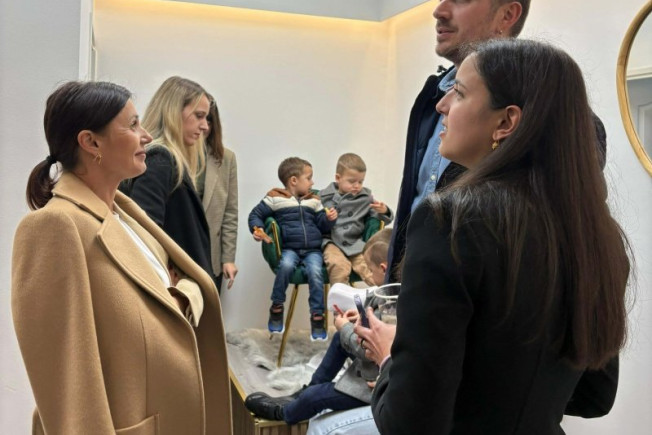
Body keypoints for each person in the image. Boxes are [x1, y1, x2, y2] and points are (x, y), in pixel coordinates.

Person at [355, 39, 630, 434]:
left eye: (459, 93)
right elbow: (594, 397)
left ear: (506, 122)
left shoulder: (448, 221)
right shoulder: (597, 236)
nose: (442, 106)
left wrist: (389, 358)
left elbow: (408, 424)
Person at [12, 81, 232, 434]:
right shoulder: (55, 227)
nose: (146, 136)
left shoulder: (126, 214)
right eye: (132, 125)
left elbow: (170, 290)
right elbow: (66, 380)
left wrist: (181, 296)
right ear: (91, 142)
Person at [243, 230, 392, 429]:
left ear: (383, 268)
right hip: (371, 369)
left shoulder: (394, 307)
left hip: (372, 388)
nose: (370, 276)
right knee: (339, 339)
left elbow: (368, 350)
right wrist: (359, 318)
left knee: (316, 396)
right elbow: (372, 320)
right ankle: (306, 391)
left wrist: (345, 328)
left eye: (371, 271)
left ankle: (285, 413)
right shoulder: (384, 294)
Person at [120, 76, 216, 287]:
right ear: (173, 112)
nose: (205, 126)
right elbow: (144, 231)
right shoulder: (159, 159)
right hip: (170, 290)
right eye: (199, 116)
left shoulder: (166, 159)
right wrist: (167, 282)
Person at [248, 157, 337, 340]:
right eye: (309, 178)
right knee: (286, 266)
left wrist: (329, 219)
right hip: (290, 249)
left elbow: (322, 225)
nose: (312, 183)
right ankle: (277, 306)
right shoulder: (275, 197)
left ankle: (317, 316)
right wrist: (257, 229)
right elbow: (255, 214)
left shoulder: (314, 200)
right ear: (294, 180)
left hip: (313, 250)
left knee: (315, 272)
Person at [320, 153, 393, 286]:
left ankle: (381, 294)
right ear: (338, 178)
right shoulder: (324, 197)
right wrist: (326, 218)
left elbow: (380, 218)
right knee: (339, 266)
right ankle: (339, 298)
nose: (357, 186)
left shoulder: (365, 198)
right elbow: (316, 219)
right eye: (352, 181)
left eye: (360, 182)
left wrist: (384, 211)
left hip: (355, 243)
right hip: (332, 242)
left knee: (368, 267)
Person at [199, 93, 239, 293]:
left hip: (210, 257)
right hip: (175, 256)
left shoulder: (226, 158)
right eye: (199, 117)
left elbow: (230, 213)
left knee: (210, 311)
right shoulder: (168, 156)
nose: (204, 126)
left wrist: (228, 259)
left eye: (209, 120)